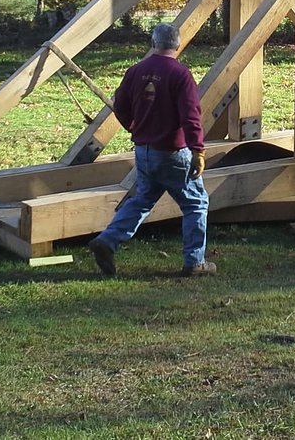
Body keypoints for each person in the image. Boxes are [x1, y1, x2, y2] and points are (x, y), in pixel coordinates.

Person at [87, 23, 216, 277]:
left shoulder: (136, 71)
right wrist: (198, 151)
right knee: (196, 204)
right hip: (172, 153)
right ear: (177, 45)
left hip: (144, 151)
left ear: (153, 43)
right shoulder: (180, 75)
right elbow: (191, 117)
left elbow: (120, 106)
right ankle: (195, 262)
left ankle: (108, 240)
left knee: (143, 200)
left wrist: (135, 128)